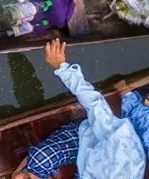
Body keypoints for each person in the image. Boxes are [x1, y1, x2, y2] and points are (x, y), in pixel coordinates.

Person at [12, 38, 146, 179]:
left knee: (32, 172)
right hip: (87, 137)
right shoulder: (120, 149)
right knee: (40, 159)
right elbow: (94, 103)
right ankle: (27, 170)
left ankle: (27, 172)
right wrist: (61, 67)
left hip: (84, 170)